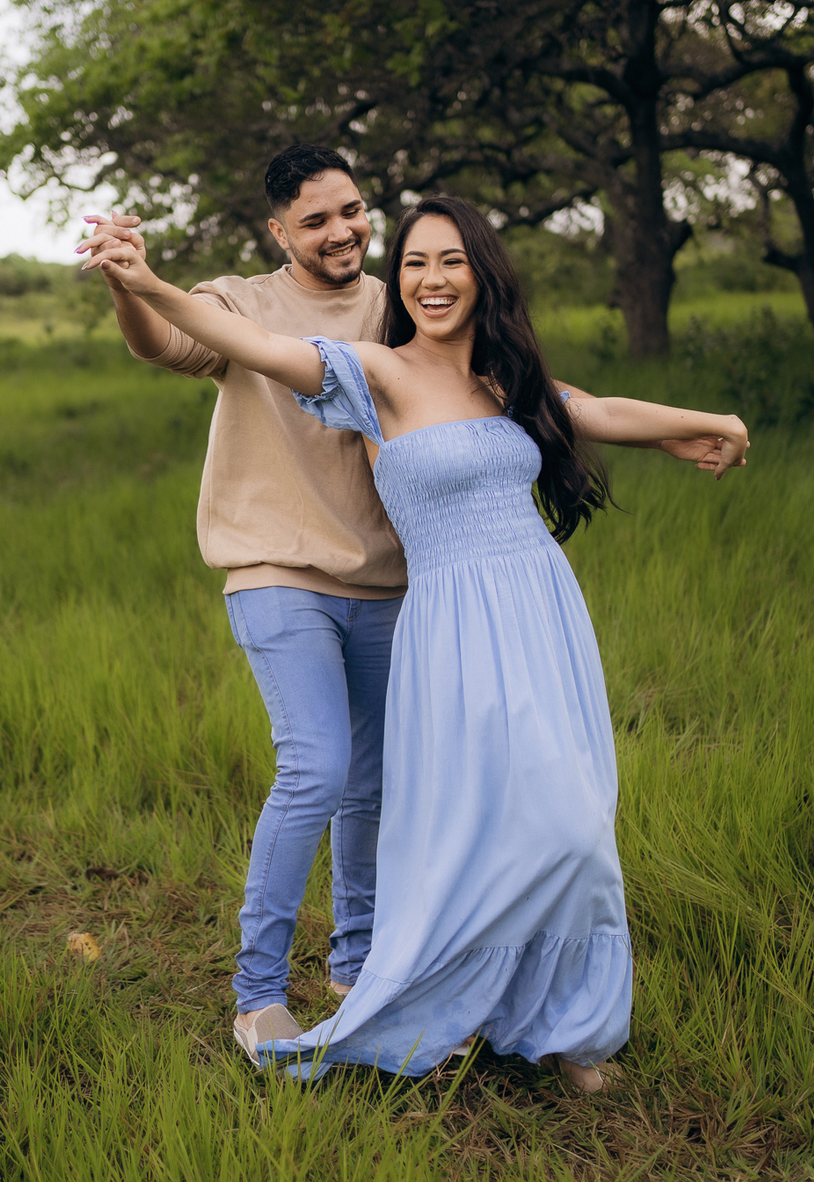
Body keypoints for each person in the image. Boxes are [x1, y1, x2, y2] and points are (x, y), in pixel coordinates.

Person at [82, 193, 749, 1087]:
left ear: (483, 275)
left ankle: (564, 1029)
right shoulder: (375, 373)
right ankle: (406, 994)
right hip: (449, 626)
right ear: (400, 282)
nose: (431, 280)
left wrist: (704, 425)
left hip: (542, 616)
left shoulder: (504, 381)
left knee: (574, 822)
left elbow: (591, 408)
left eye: (451, 262)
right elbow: (252, 346)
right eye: (415, 264)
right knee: (483, 827)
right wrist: (148, 282)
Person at [79, 146, 408, 1063]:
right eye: (315, 220)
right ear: (280, 232)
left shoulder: (397, 301)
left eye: (351, 210)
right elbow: (162, 344)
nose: (340, 231)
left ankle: (357, 964)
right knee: (318, 768)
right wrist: (125, 283)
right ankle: (258, 995)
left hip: (385, 577)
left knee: (372, 784)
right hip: (276, 572)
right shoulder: (238, 300)